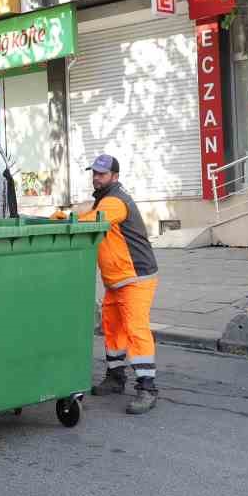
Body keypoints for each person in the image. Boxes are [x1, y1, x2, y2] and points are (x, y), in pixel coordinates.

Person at [54, 154, 160, 415]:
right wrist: (70, 215)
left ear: (114, 176)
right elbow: (90, 213)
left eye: (101, 173)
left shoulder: (116, 200)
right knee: (113, 330)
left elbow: (93, 220)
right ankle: (115, 377)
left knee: (136, 330)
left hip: (136, 278)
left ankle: (147, 388)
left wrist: (66, 219)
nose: (96, 177)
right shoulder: (104, 198)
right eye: (94, 173)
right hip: (117, 280)